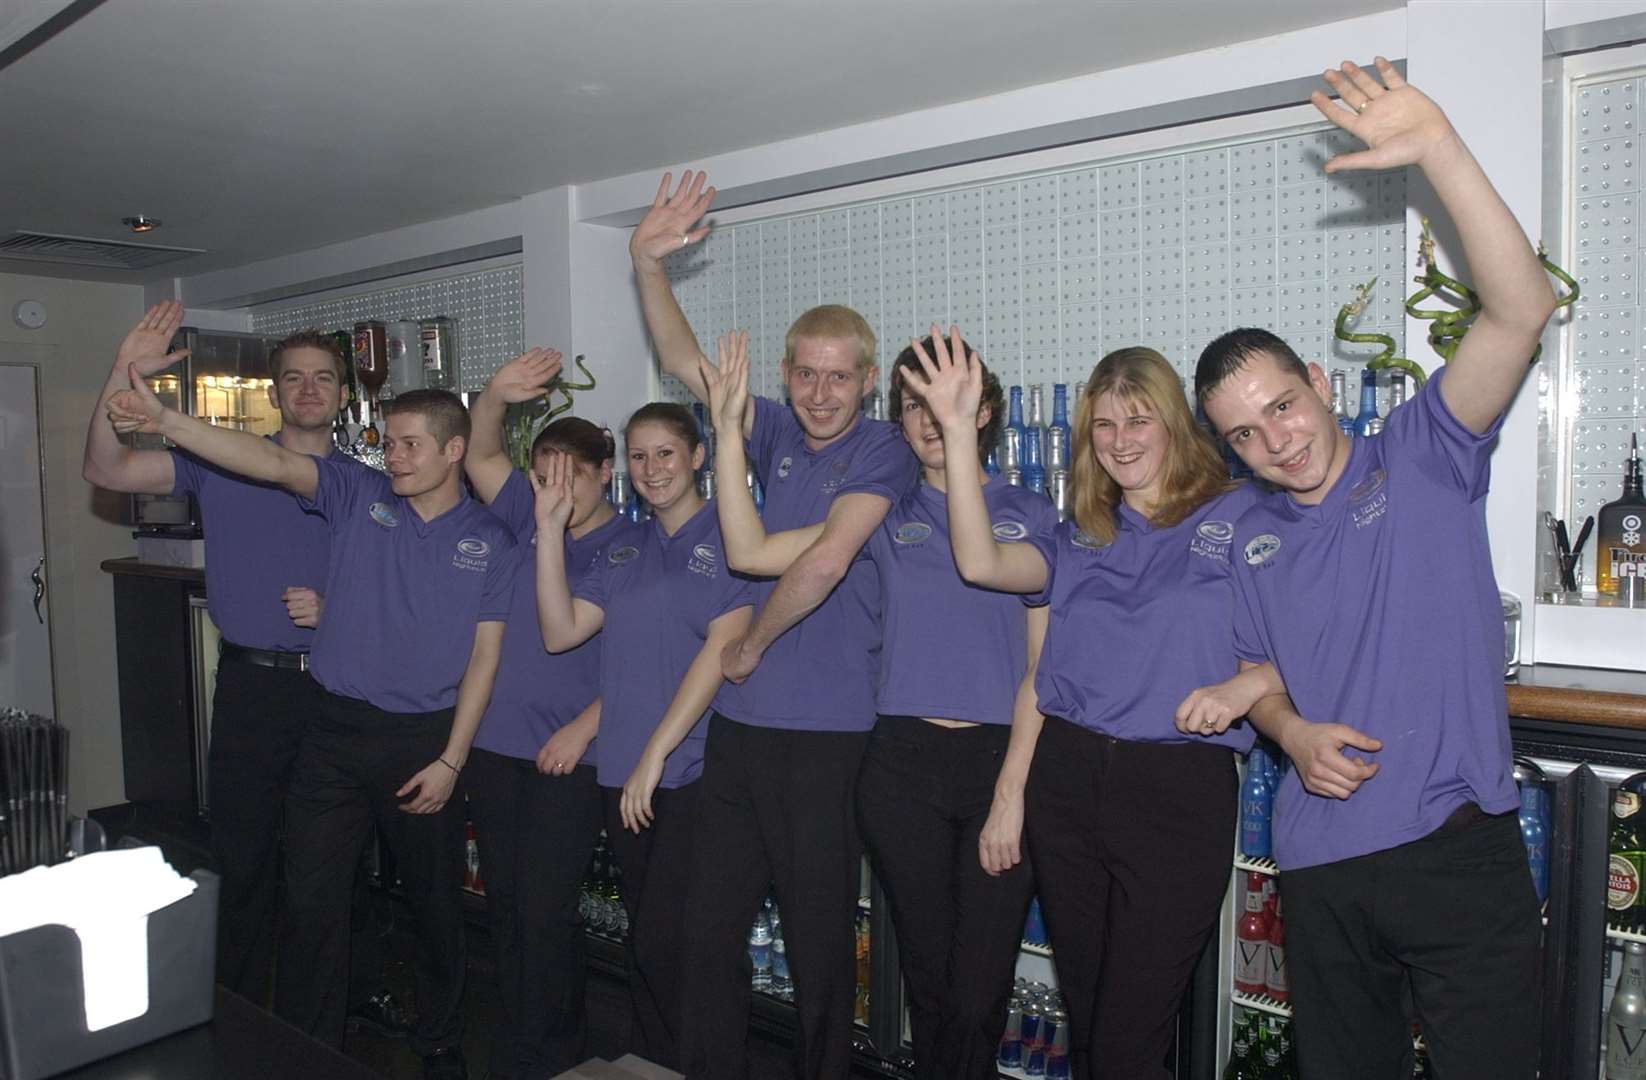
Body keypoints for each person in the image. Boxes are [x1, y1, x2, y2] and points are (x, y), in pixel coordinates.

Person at [1189, 59, 1558, 1080]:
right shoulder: (1247, 541)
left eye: (1280, 406)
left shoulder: (1422, 452)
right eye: (1243, 433)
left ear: (1316, 380)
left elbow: (1516, 309)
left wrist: (1437, 145)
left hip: (1453, 851)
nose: (1274, 440)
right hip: (1319, 866)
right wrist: (1289, 730)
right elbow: (1259, 680)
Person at [106, 377, 518, 1080]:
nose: (395, 456)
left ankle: (440, 1041)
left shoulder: (489, 540)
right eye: (389, 442)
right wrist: (167, 421)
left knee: (433, 903)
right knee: (310, 899)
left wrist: (452, 760)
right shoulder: (358, 495)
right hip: (331, 730)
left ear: (455, 451)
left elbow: (486, 656)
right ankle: (305, 1046)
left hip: (423, 738)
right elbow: (267, 462)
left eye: (411, 444)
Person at [904, 328, 1280, 1079]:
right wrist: (954, 425)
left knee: (1129, 1035)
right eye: (1103, 424)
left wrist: (1246, 686)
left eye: (1139, 418)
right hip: (1069, 783)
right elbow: (979, 563)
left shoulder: (1240, 516)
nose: (1120, 439)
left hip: (1176, 791)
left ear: (1176, 422)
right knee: (1091, 1015)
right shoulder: (1078, 535)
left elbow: (1313, 641)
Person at [701, 328, 1051, 1080]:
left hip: (1000, 763)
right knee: (926, 975)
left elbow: (1040, 669)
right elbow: (758, 552)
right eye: (913, 406)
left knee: (978, 987)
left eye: (948, 403)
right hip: (900, 766)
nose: (929, 419)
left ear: (983, 409)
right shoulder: (884, 514)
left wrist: (1013, 792)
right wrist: (726, 431)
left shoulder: (1034, 511)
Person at [630, 171, 918, 1079]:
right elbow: (683, 359)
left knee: (820, 949)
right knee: (704, 934)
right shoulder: (775, 430)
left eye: (840, 377)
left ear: (867, 382)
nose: (821, 393)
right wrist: (645, 263)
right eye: (806, 374)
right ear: (787, 375)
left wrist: (750, 643)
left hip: (826, 740)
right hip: (740, 735)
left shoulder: (885, 449)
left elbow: (825, 563)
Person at [80, 304, 408, 1038]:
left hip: (341, 687)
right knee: (245, 854)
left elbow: (407, 592)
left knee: (339, 859)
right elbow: (106, 466)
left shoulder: (374, 483)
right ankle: (231, 1012)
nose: (309, 389)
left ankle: (336, 1006)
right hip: (256, 690)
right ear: (274, 392)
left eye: (323, 378)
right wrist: (117, 371)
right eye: (293, 378)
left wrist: (343, 609)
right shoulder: (220, 459)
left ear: (343, 392)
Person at [533, 401, 754, 1070]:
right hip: (623, 774)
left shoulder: (732, 539)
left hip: (696, 774)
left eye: (665, 453)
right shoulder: (626, 545)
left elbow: (721, 652)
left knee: (690, 946)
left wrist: (656, 755)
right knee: (650, 944)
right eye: (638, 456)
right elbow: (560, 630)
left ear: (697, 458)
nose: (652, 468)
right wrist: (548, 533)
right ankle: (657, 1064)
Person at [462, 348, 629, 1077]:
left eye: (572, 476)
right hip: (497, 743)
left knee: (545, 908)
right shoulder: (530, 519)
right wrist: (496, 394)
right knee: (504, 903)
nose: (555, 490)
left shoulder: (630, 544)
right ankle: (520, 1040)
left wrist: (587, 724)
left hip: (570, 751)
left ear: (604, 474)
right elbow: (477, 450)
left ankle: (556, 1049)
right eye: (544, 474)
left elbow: (653, 662)